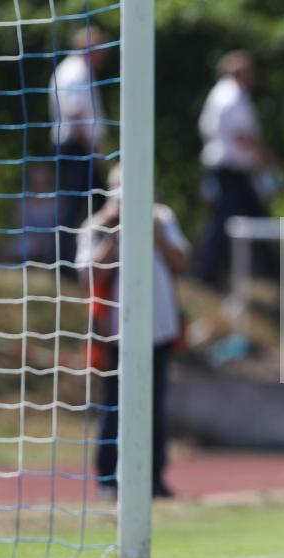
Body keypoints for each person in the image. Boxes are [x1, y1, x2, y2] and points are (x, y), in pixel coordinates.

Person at [77, 165, 190, 500]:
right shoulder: (96, 226)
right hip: (115, 331)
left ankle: (154, 478)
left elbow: (182, 261)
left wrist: (154, 231)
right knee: (114, 405)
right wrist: (115, 234)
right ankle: (108, 479)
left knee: (154, 405)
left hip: (158, 328)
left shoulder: (163, 218)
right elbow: (87, 273)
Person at [196, 50, 278, 288]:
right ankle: (207, 271)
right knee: (228, 221)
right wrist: (264, 157)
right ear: (239, 72)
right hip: (230, 170)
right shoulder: (232, 95)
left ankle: (269, 269)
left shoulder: (219, 93)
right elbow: (243, 135)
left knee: (248, 216)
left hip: (226, 168)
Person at [49, 26, 109, 279]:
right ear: (89, 47)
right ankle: (66, 264)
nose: (103, 57)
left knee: (96, 203)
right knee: (79, 206)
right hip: (77, 148)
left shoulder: (76, 70)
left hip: (78, 147)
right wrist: (93, 150)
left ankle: (86, 260)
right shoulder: (75, 71)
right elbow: (75, 114)